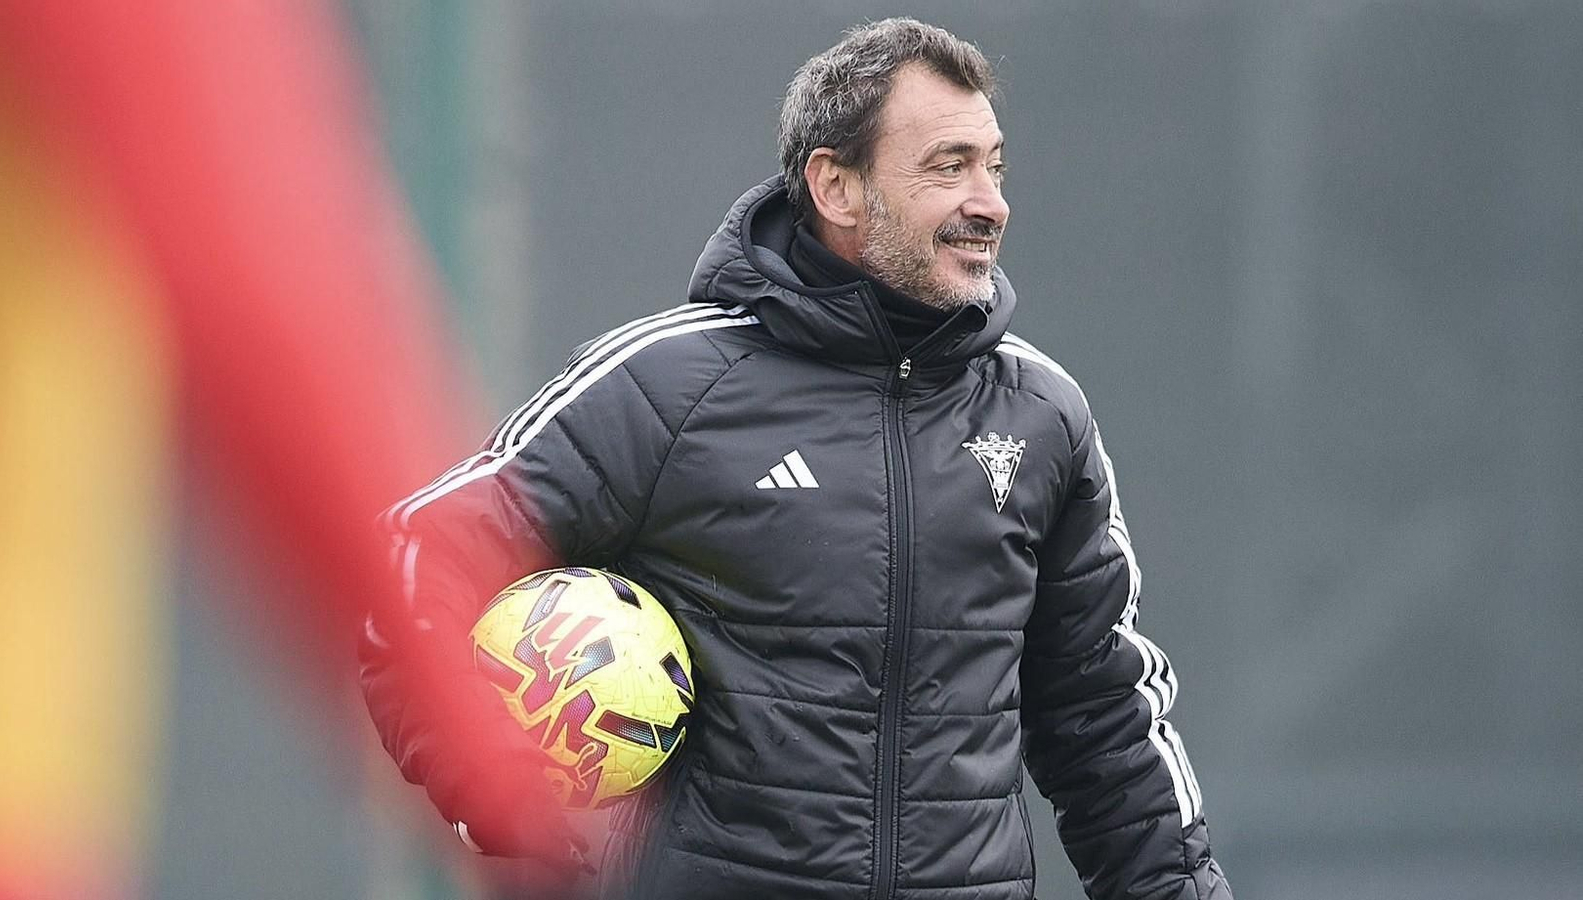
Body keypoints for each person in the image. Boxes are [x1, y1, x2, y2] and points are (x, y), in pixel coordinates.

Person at [361, 17, 1232, 900]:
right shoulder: (667, 386)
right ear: (835, 186)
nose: (990, 202)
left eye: (994, 165)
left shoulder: (1043, 413)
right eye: (947, 166)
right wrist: (486, 780)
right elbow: (411, 566)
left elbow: (1102, 717)